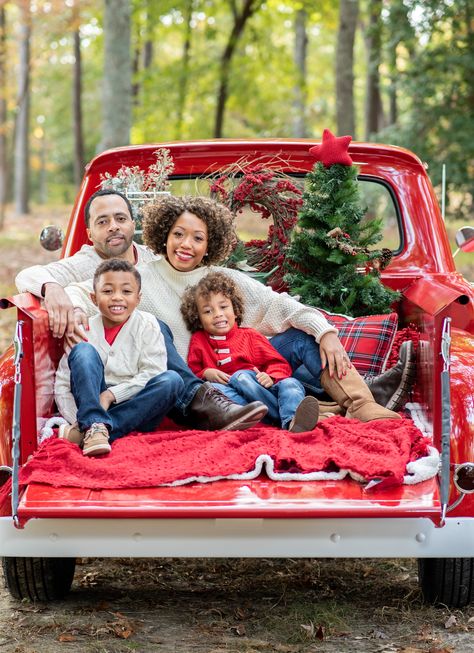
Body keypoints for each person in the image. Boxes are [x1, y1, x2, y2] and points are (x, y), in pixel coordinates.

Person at [66, 195, 401, 422]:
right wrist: (65, 301)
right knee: (159, 329)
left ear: (210, 244)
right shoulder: (139, 279)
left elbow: (280, 306)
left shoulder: (222, 278)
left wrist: (326, 332)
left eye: (198, 238)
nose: (186, 245)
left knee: (302, 338)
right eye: (179, 234)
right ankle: (324, 407)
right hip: (205, 389)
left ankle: (360, 404)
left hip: (246, 369)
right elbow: (85, 293)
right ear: (163, 234)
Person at [16, 189, 268, 432]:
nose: (113, 226)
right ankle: (196, 400)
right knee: (155, 325)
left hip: (158, 371)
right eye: (103, 221)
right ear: (89, 232)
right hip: (114, 372)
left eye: (120, 218)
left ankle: (99, 427)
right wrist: (53, 288)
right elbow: (31, 276)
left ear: (132, 224)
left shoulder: (153, 258)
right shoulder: (81, 264)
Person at [55, 259, 186, 457]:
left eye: (126, 291)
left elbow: (152, 373)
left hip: (134, 406)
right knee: (83, 351)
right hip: (89, 405)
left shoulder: (148, 324)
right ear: (93, 298)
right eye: (107, 291)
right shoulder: (83, 330)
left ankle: (90, 433)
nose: (117, 298)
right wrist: (80, 418)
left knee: (172, 380)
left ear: (138, 298)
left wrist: (110, 395)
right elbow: (63, 384)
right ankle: (93, 426)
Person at [181, 271, 321, 432]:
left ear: (235, 309)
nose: (218, 314)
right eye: (208, 311)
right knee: (216, 390)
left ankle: (291, 421)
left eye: (223, 307)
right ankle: (288, 419)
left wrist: (270, 376)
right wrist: (206, 372)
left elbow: (277, 363)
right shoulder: (199, 340)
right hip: (234, 398)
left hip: (261, 386)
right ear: (197, 318)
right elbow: (191, 375)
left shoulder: (250, 336)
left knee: (290, 384)